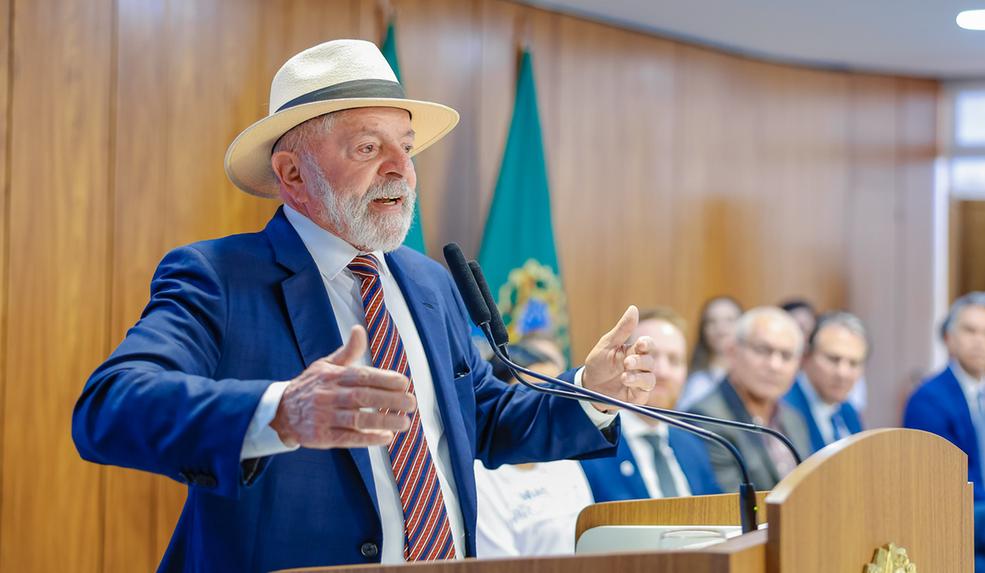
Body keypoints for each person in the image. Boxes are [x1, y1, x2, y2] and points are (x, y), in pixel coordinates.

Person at [70, 39, 657, 572]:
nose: (401, 169)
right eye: (368, 147)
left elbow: (484, 418)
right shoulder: (218, 277)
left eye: (407, 148)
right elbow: (108, 408)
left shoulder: (428, 283)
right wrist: (280, 411)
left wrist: (591, 391)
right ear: (292, 172)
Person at [904, 292, 985, 572]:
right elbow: (947, 480)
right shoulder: (927, 399)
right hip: (956, 515)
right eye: (970, 330)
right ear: (949, 337)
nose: (980, 341)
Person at [581, 308, 720, 502]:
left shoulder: (692, 445)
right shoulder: (590, 449)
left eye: (674, 360)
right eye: (651, 357)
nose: (663, 372)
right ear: (622, 362)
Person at [474, 344, 593, 558]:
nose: (549, 405)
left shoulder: (563, 459)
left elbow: (589, 534)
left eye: (557, 392)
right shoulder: (480, 479)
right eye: (536, 394)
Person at [688, 307, 812, 492]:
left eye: (786, 356)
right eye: (763, 350)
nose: (774, 365)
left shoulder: (794, 419)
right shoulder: (706, 419)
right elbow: (732, 503)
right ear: (732, 351)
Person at [783, 312, 867, 453]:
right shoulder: (784, 407)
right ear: (807, 356)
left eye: (853, 363)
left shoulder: (849, 411)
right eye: (833, 359)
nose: (843, 373)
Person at [678, 296, 743, 410]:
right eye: (712, 321)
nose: (721, 329)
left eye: (729, 320)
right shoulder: (695, 383)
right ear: (703, 330)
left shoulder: (753, 378)